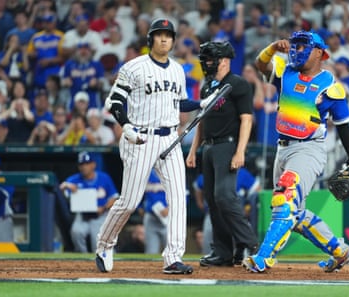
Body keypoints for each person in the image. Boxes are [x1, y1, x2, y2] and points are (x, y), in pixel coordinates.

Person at [95, 19, 214, 275]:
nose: (164, 40)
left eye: (168, 36)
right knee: (129, 201)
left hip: (170, 139)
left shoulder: (178, 70)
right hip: (140, 137)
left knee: (178, 197)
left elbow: (179, 103)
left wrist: (200, 103)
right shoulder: (134, 67)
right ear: (151, 39)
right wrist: (125, 126)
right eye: (159, 35)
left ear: (173, 40)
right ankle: (105, 243)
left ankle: (173, 257)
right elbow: (114, 100)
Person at [242, 30, 349, 273]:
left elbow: (344, 128)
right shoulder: (286, 72)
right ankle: (340, 251)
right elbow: (260, 64)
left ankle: (263, 257)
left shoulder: (331, 86)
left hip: (309, 149)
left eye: (303, 46)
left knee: (284, 201)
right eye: (295, 45)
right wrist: (273, 47)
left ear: (319, 52)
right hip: (282, 149)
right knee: (293, 214)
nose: (296, 50)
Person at [185, 41, 258, 267]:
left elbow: (247, 119)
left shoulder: (238, 84)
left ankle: (250, 242)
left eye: (210, 59)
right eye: (205, 59)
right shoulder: (207, 86)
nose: (207, 64)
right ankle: (224, 252)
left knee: (225, 195)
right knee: (213, 202)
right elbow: (201, 120)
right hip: (208, 147)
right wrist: (194, 149)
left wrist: (240, 151)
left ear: (224, 61)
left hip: (227, 145)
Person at [193, 167, 261, 256]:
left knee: (242, 240)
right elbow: (197, 186)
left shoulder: (241, 173)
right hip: (213, 213)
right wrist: (200, 203)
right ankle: (209, 261)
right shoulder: (212, 172)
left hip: (235, 214)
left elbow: (257, 190)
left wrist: (248, 207)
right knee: (208, 239)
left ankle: (245, 259)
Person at [59, 151, 119, 253]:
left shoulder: (104, 178)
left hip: (100, 214)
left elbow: (114, 198)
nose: (84, 167)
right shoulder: (74, 180)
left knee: (97, 240)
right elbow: (63, 191)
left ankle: (102, 257)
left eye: (86, 163)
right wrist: (66, 186)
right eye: (81, 164)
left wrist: (104, 208)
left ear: (93, 164)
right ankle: (83, 257)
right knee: (76, 232)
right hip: (82, 215)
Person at [142, 169, 168, 254]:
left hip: (169, 218)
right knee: (151, 251)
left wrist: (170, 208)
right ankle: (149, 267)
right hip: (151, 217)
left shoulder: (173, 172)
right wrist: (140, 208)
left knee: (171, 250)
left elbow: (184, 195)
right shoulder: (146, 174)